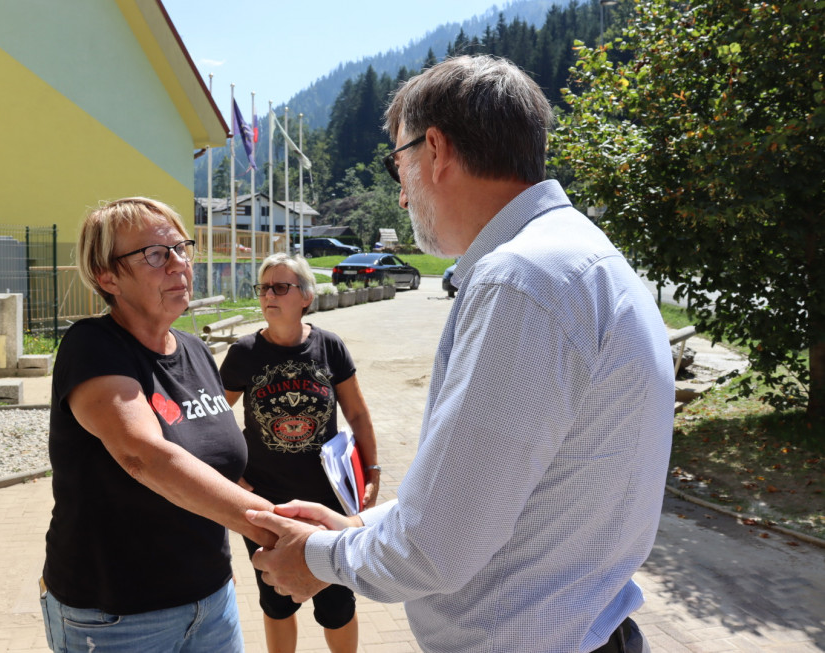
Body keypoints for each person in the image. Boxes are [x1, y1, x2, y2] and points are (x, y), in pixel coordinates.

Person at [247, 55, 674, 653]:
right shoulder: (577, 257)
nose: (400, 195)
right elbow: (491, 491)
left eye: (398, 163)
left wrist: (317, 558)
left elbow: (438, 547)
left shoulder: (521, 280)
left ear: (437, 150)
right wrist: (359, 527)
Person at [40, 197, 277, 653]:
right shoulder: (92, 346)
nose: (178, 265)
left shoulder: (195, 351)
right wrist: (275, 531)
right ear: (107, 275)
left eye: (180, 248)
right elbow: (144, 456)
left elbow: (218, 464)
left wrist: (290, 514)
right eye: (154, 254)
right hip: (115, 617)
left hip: (211, 601)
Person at [220, 252, 380, 653]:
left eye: (281, 287)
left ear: (305, 297)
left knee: (337, 601)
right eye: (264, 288)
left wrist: (372, 470)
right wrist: (237, 482)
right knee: (277, 602)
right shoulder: (244, 353)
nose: (269, 295)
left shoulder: (329, 347)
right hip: (266, 504)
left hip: (327, 500)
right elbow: (216, 422)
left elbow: (357, 413)